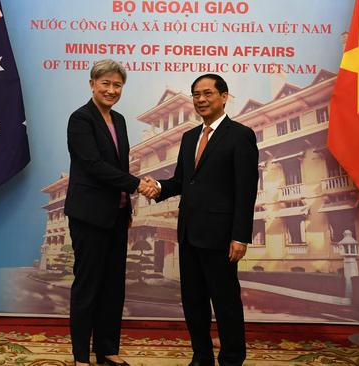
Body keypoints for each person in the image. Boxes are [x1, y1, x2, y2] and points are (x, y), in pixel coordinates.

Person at [148, 74, 259, 366]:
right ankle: (201, 356)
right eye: (196, 94)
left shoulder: (240, 135)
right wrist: (158, 188)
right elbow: (182, 182)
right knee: (193, 301)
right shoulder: (188, 138)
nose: (201, 99)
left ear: (224, 96)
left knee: (226, 303)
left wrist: (240, 236)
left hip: (222, 237)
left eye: (207, 93)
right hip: (188, 233)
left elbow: (246, 191)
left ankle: (232, 359)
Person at [64, 59, 158, 366]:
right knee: (88, 285)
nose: (111, 90)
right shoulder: (80, 119)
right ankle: (81, 356)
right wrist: (137, 185)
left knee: (113, 286)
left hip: (116, 215)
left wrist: (127, 205)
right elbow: (93, 166)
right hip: (89, 215)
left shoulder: (118, 120)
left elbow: (119, 166)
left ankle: (107, 349)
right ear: (92, 83)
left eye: (117, 85)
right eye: (105, 83)